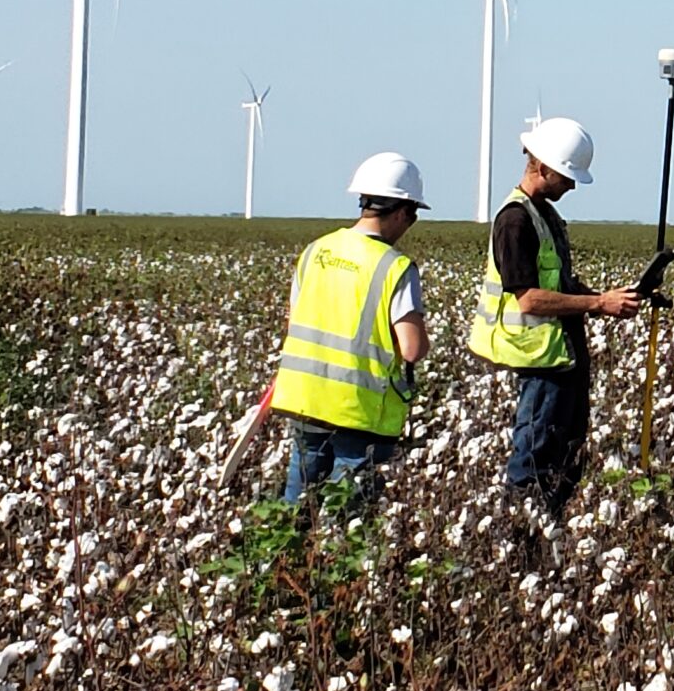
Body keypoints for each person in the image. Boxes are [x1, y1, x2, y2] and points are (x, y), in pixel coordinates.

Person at [468, 117, 649, 520]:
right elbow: (529, 299)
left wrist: (610, 298)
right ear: (543, 168)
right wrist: (598, 304)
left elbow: (560, 283)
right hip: (539, 363)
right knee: (533, 460)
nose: (570, 186)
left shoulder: (543, 215)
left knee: (566, 455)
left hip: (560, 359)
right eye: (567, 177)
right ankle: (518, 538)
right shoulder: (514, 221)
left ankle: (546, 529)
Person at [269, 152, 431, 505]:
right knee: (346, 519)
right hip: (359, 411)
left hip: (304, 399)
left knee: (295, 506)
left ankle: (287, 560)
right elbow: (412, 349)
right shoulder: (395, 266)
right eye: (414, 215)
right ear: (403, 211)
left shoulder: (316, 250)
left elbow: (295, 319)